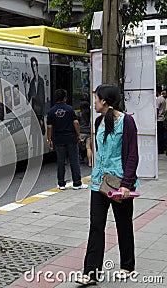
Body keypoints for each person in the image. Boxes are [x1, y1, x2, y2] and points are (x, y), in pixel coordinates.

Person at [76, 84, 139, 285]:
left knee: (123, 225)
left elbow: (132, 155)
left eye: (96, 98)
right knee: (96, 226)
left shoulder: (127, 122)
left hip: (120, 183)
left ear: (104, 101)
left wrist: (127, 184)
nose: (93, 102)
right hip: (98, 183)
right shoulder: (99, 120)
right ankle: (91, 272)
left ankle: (127, 266)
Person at [46, 88, 88, 190]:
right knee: (74, 160)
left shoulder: (51, 111)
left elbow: (49, 127)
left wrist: (49, 139)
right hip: (71, 138)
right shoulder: (69, 109)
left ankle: (61, 184)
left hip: (58, 139)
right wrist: (78, 134)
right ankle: (77, 183)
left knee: (61, 161)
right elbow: (76, 122)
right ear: (65, 98)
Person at [27, 56, 46, 135]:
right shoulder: (31, 82)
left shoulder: (41, 81)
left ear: (37, 66)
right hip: (34, 110)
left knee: (40, 132)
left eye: (34, 65)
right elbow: (29, 96)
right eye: (32, 66)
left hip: (39, 111)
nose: (33, 68)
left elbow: (42, 97)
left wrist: (42, 114)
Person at [79, 95, 92, 167]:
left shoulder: (79, 114)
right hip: (88, 132)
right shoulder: (90, 114)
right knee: (88, 147)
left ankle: (80, 159)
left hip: (81, 132)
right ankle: (90, 162)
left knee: (78, 147)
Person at [156, 88, 166, 154]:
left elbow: (157, 109)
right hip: (162, 118)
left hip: (158, 119)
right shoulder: (163, 99)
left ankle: (159, 149)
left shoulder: (158, 99)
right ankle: (161, 148)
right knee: (161, 135)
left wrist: (155, 118)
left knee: (159, 135)